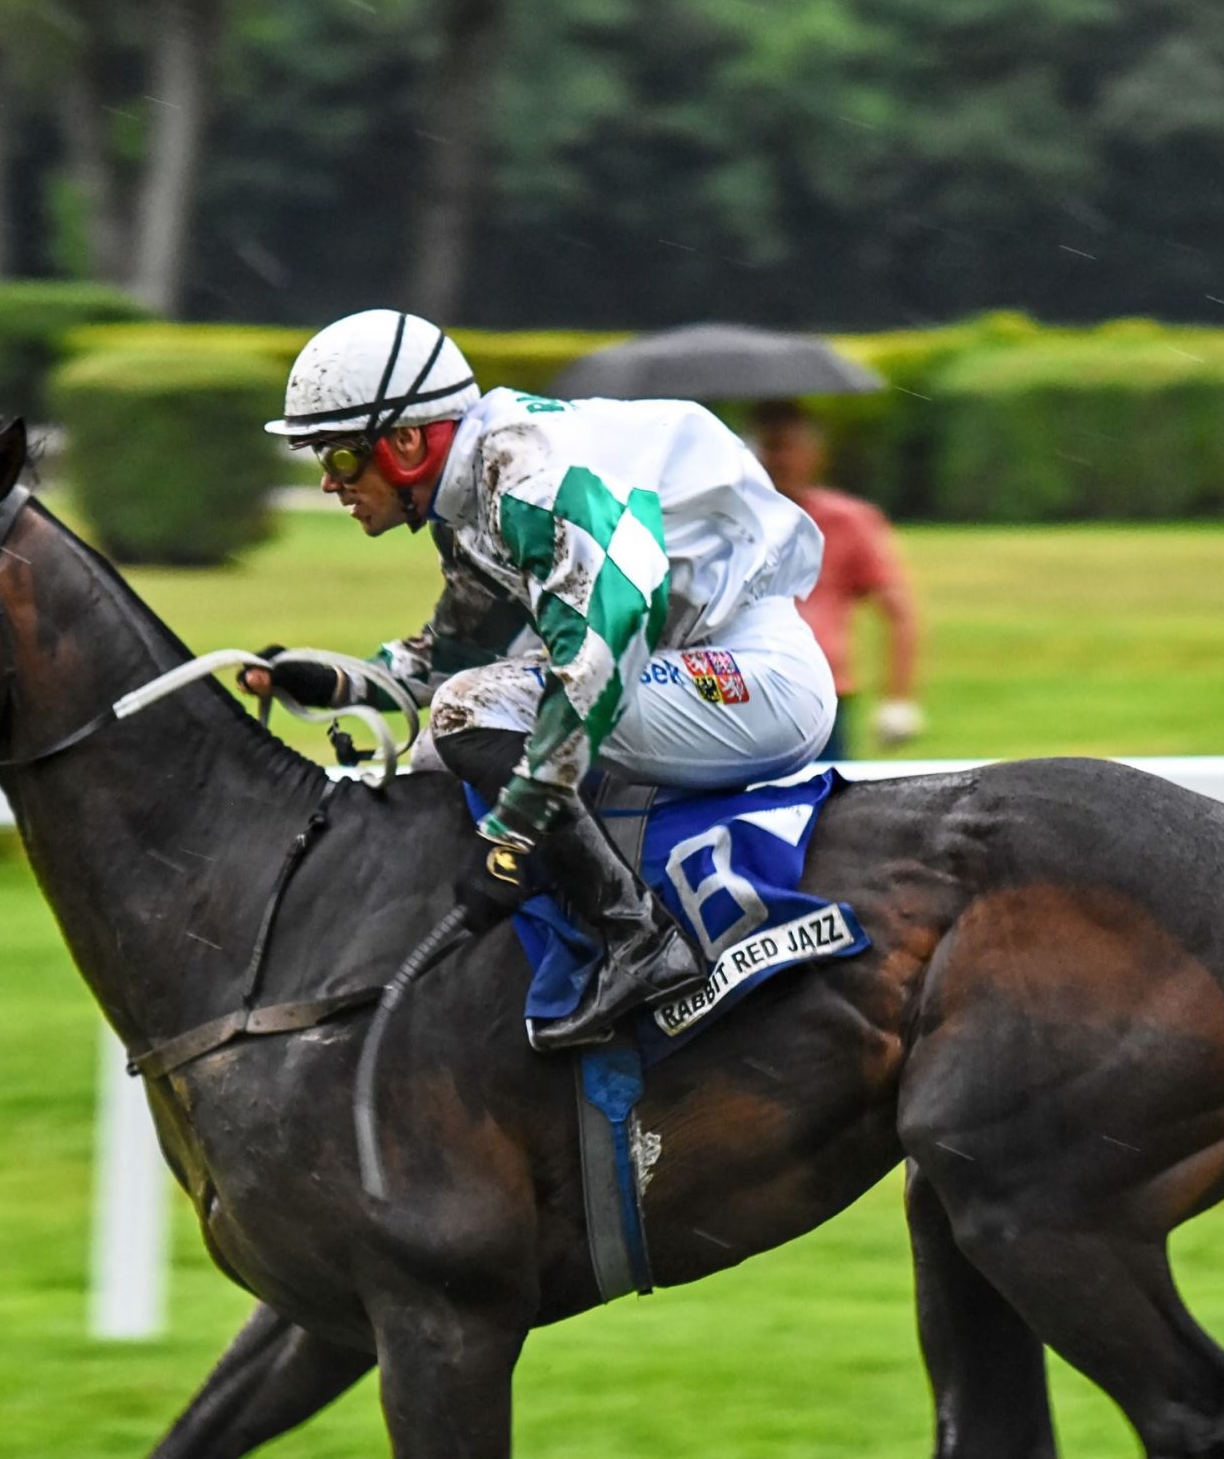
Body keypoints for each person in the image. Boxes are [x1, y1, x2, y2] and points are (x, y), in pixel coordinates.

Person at [249, 309, 836, 1049]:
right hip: (686, 665)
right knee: (444, 735)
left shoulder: (528, 480)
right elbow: (456, 654)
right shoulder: (473, 499)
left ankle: (636, 936)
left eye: (338, 458)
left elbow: (603, 644)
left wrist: (518, 827)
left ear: (405, 443)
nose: (331, 485)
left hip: (755, 676)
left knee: (469, 715)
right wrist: (343, 683)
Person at [748, 401, 922, 760]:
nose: (776, 460)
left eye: (786, 447)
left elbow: (898, 609)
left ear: (814, 454)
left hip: (818, 690)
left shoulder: (846, 521)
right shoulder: (731, 519)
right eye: (766, 448)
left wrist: (898, 699)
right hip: (743, 688)